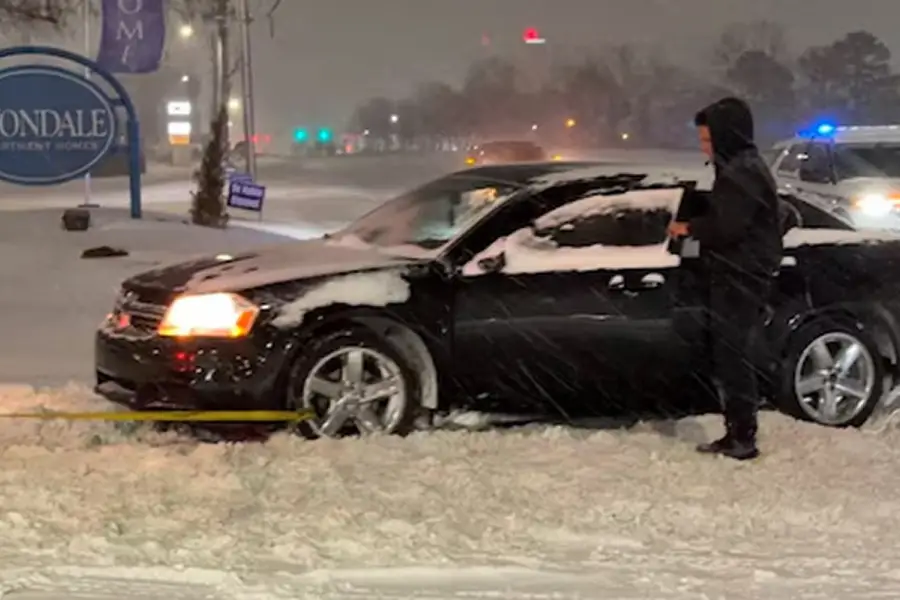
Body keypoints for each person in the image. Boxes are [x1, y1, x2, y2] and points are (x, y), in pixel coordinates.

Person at [667, 97, 783, 461]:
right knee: (730, 352)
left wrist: (688, 226)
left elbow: (726, 227)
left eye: (708, 139)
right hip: (741, 271)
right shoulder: (740, 166)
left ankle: (742, 436)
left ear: (726, 135)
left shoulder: (741, 172)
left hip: (741, 275)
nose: (704, 146)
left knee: (733, 354)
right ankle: (738, 430)